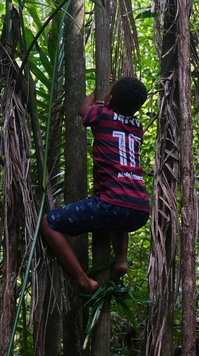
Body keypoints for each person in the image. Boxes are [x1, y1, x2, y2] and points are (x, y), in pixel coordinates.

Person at [39, 75, 149, 293]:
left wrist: (101, 90)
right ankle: (121, 260)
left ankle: (83, 280)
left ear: (110, 99)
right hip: (140, 207)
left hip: (112, 204)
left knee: (47, 223)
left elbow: (83, 108)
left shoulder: (101, 115)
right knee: (118, 218)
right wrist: (111, 93)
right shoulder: (137, 127)